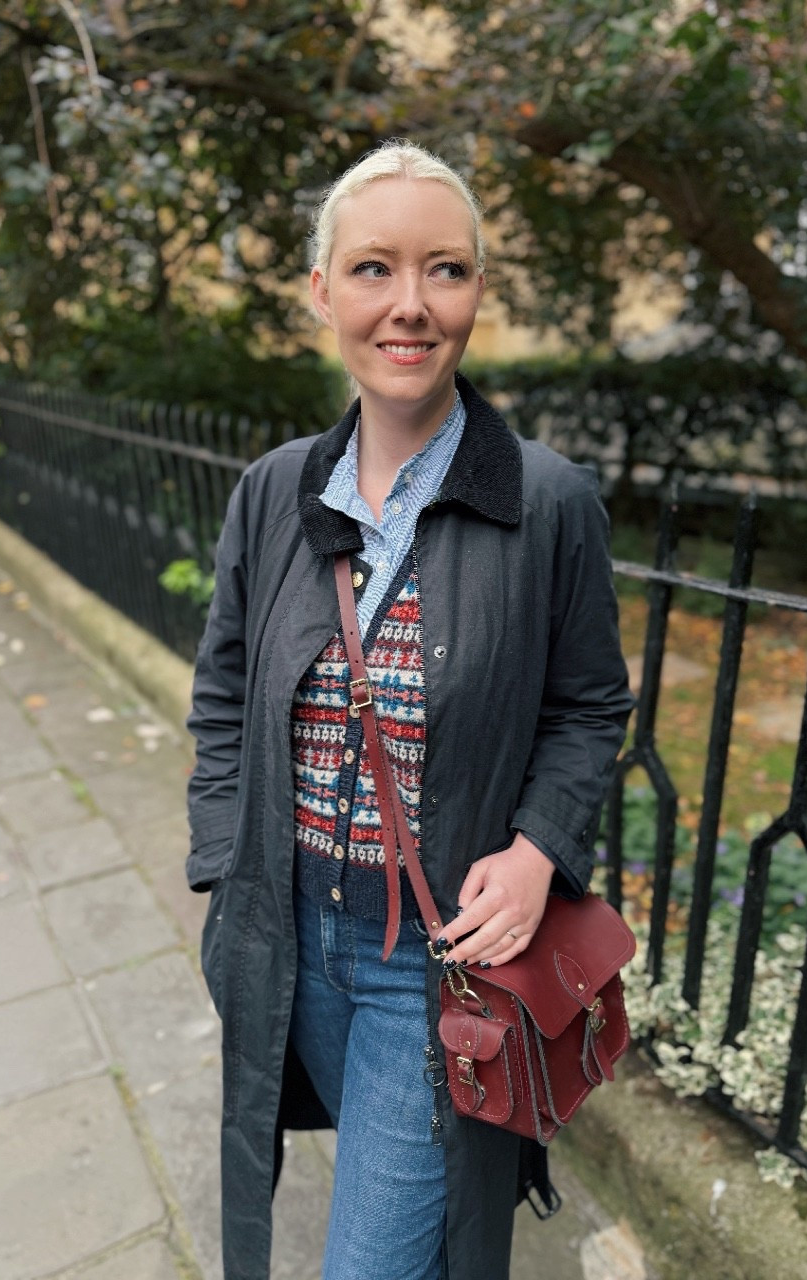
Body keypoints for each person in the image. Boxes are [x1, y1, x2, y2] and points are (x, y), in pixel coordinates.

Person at [186, 140, 634, 1280]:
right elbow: (227, 692)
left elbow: (590, 706)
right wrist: (219, 867)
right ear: (323, 289)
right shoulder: (274, 491)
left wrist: (540, 850)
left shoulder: (547, 501)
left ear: (479, 288)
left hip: (425, 966)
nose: (411, 305)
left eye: (445, 270)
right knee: (408, 1221)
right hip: (286, 937)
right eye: (375, 268)